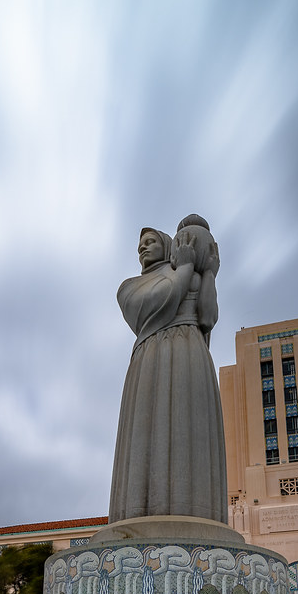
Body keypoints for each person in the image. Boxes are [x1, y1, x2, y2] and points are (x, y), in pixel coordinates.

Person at [108, 215, 227, 525]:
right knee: (146, 434)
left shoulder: (194, 278)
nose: (143, 249)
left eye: (150, 242)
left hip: (190, 353)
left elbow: (208, 317)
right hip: (150, 356)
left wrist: (210, 274)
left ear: (166, 245)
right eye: (139, 246)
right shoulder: (131, 287)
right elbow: (160, 301)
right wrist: (186, 267)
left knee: (191, 426)